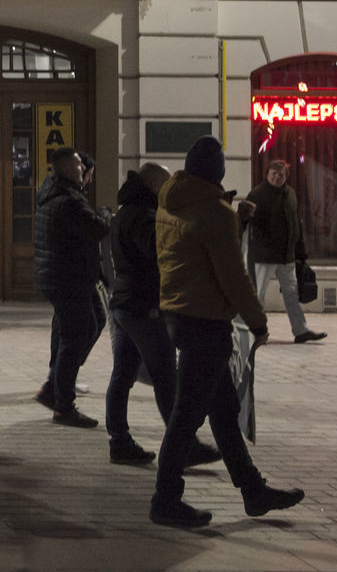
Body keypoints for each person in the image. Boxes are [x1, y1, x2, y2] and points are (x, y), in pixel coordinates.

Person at [150, 136, 304, 528]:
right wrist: (258, 321)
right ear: (216, 171)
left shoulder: (171, 201)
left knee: (222, 411)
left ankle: (253, 490)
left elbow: (196, 249)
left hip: (179, 313)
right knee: (187, 415)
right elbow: (232, 274)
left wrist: (235, 219)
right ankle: (165, 499)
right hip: (206, 320)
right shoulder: (214, 212)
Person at [104, 163, 221, 466]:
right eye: (167, 185)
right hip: (144, 308)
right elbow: (161, 254)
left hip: (125, 305)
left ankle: (120, 441)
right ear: (156, 184)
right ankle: (183, 446)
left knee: (123, 376)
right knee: (167, 377)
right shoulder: (144, 216)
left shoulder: (126, 212)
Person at [32, 147, 110, 428]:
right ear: (67, 169)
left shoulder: (57, 194)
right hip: (68, 278)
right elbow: (98, 228)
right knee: (74, 336)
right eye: (79, 166)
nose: (83, 170)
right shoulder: (69, 200)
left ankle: (55, 386)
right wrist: (104, 213)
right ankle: (62, 403)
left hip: (69, 276)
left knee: (93, 322)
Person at [247, 159, 326, 344]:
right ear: (267, 175)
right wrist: (267, 243)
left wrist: (300, 253)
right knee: (258, 294)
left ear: (286, 176)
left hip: (287, 256)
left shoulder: (290, 194)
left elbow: (295, 224)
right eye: (274, 173)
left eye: (281, 174)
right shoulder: (257, 194)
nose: (277, 177)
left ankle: (301, 330)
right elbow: (253, 227)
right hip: (265, 256)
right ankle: (256, 331)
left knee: (291, 294)